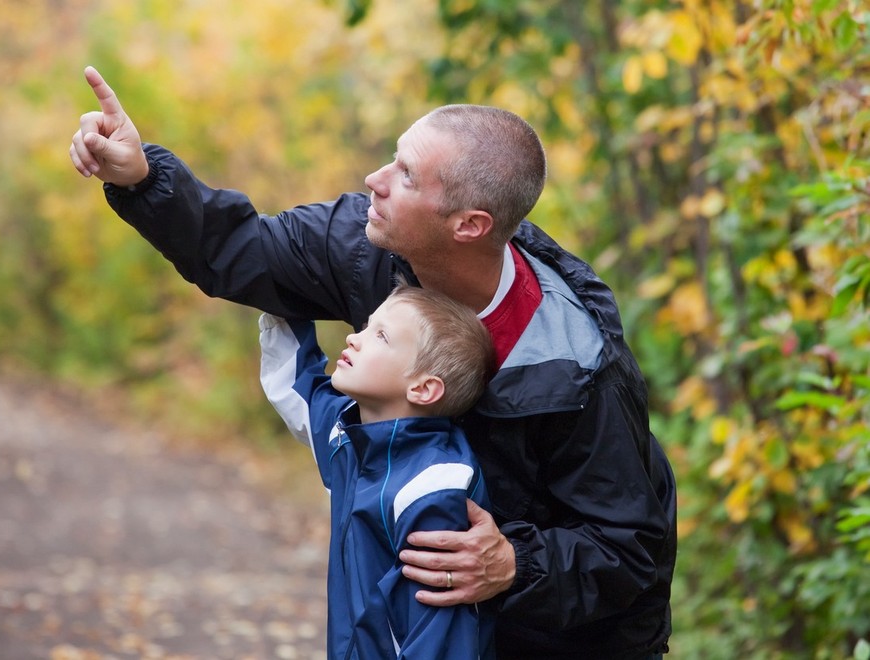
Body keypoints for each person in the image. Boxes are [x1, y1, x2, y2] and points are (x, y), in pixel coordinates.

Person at [70, 65, 677, 659]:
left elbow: (631, 549)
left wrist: (516, 564)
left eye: (406, 176)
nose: (374, 179)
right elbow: (238, 248)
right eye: (393, 157)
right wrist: (143, 179)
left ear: (469, 225)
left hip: (567, 641)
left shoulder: (577, 364)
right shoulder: (364, 246)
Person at [259, 285, 496, 659]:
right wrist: (272, 286)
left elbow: (442, 636)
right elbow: (296, 389)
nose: (355, 337)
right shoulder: (350, 436)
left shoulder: (433, 486)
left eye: (381, 336)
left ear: (423, 388)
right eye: (367, 326)